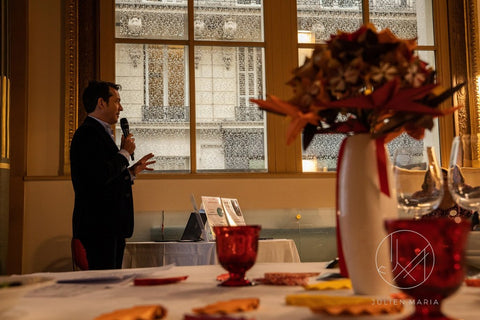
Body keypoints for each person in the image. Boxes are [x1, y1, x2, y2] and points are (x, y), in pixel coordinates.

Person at [70, 80, 155, 269]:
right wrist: (124, 153)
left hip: (111, 227)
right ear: (101, 103)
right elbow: (95, 179)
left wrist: (131, 172)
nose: (121, 107)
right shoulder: (87, 134)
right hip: (98, 229)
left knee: (113, 282)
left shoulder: (100, 132)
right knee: (103, 287)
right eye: (116, 101)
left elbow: (106, 179)